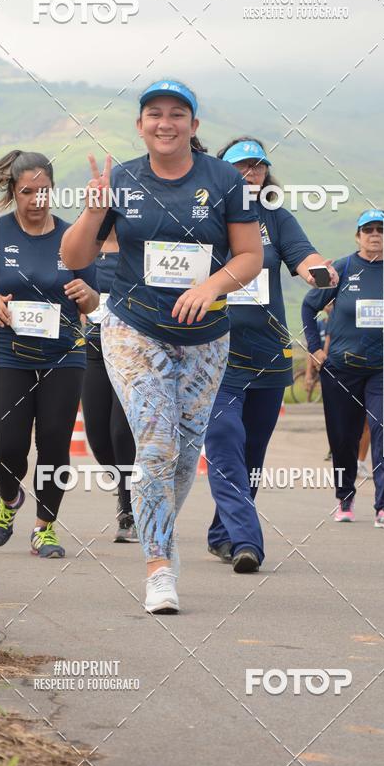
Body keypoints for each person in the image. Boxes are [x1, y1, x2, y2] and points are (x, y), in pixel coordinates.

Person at [61, 79, 263, 614]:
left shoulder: (224, 181)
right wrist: (91, 210)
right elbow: (74, 256)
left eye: (178, 114)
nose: (165, 122)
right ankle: (159, 568)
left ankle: (158, 534)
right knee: (154, 447)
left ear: (194, 127)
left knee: (183, 454)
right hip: (133, 329)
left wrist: (211, 286)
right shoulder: (121, 180)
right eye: (154, 113)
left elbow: (249, 256)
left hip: (205, 338)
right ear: (141, 125)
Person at [203, 137, 337, 573]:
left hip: (267, 355)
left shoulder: (275, 217)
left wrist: (318, 271)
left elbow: (302, 255)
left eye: (258, 166)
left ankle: (223, 533)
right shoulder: (203, 214)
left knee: (253, 454)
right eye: (241, 166)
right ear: (221, 171)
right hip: (214, 351)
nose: (250, 173)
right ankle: (246, 538)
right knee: (225, 439)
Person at [0, 150, 97, 557]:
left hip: (64, 356)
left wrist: (88, 295)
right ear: (13, 190)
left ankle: (44, 528)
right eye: (27, 191)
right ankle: (10, 499)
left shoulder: (73, 235)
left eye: (44, 191)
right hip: (10, 353)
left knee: (53, 444)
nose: (36, 199)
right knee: (8, 444)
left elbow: (96, 300)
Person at [302, 209, 384, 530]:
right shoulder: (341, 269)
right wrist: (315, 349)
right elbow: (308, 305)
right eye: (368, 229)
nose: (375, 235)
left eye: (382, 230)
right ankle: (345, 497)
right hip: (341, 369)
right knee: (344, 438)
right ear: (358, 236)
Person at [81, 226, 137, 543]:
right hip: (93, 349)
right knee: (98, 436)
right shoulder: (87, 245)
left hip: (132, 350)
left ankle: (129, 510)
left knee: (121, 431)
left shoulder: (137, 242)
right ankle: (125, 488)